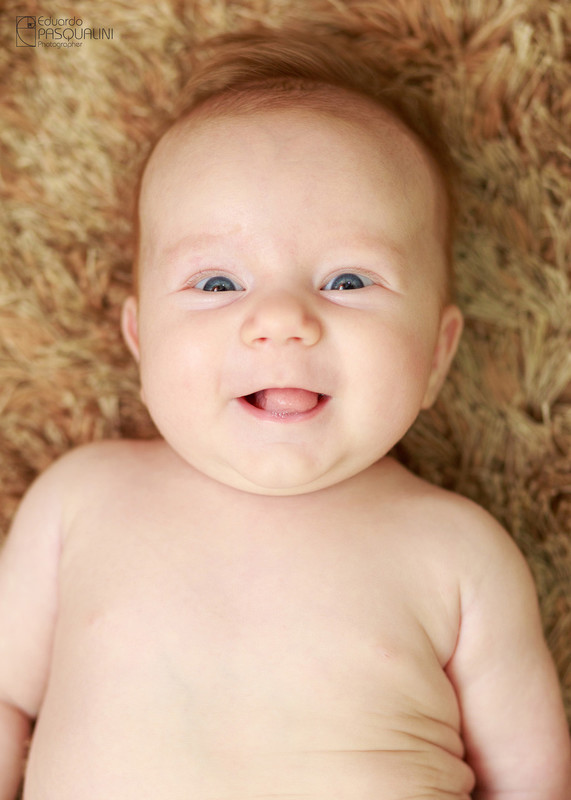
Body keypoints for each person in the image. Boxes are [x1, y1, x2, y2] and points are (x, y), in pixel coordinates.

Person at [0, 25, 569, 800]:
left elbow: (531, 778)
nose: (280, 319)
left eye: (345, 280)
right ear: (140, 342)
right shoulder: (81, 502)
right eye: (215, 284)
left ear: (436, 356)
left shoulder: (460, 553)